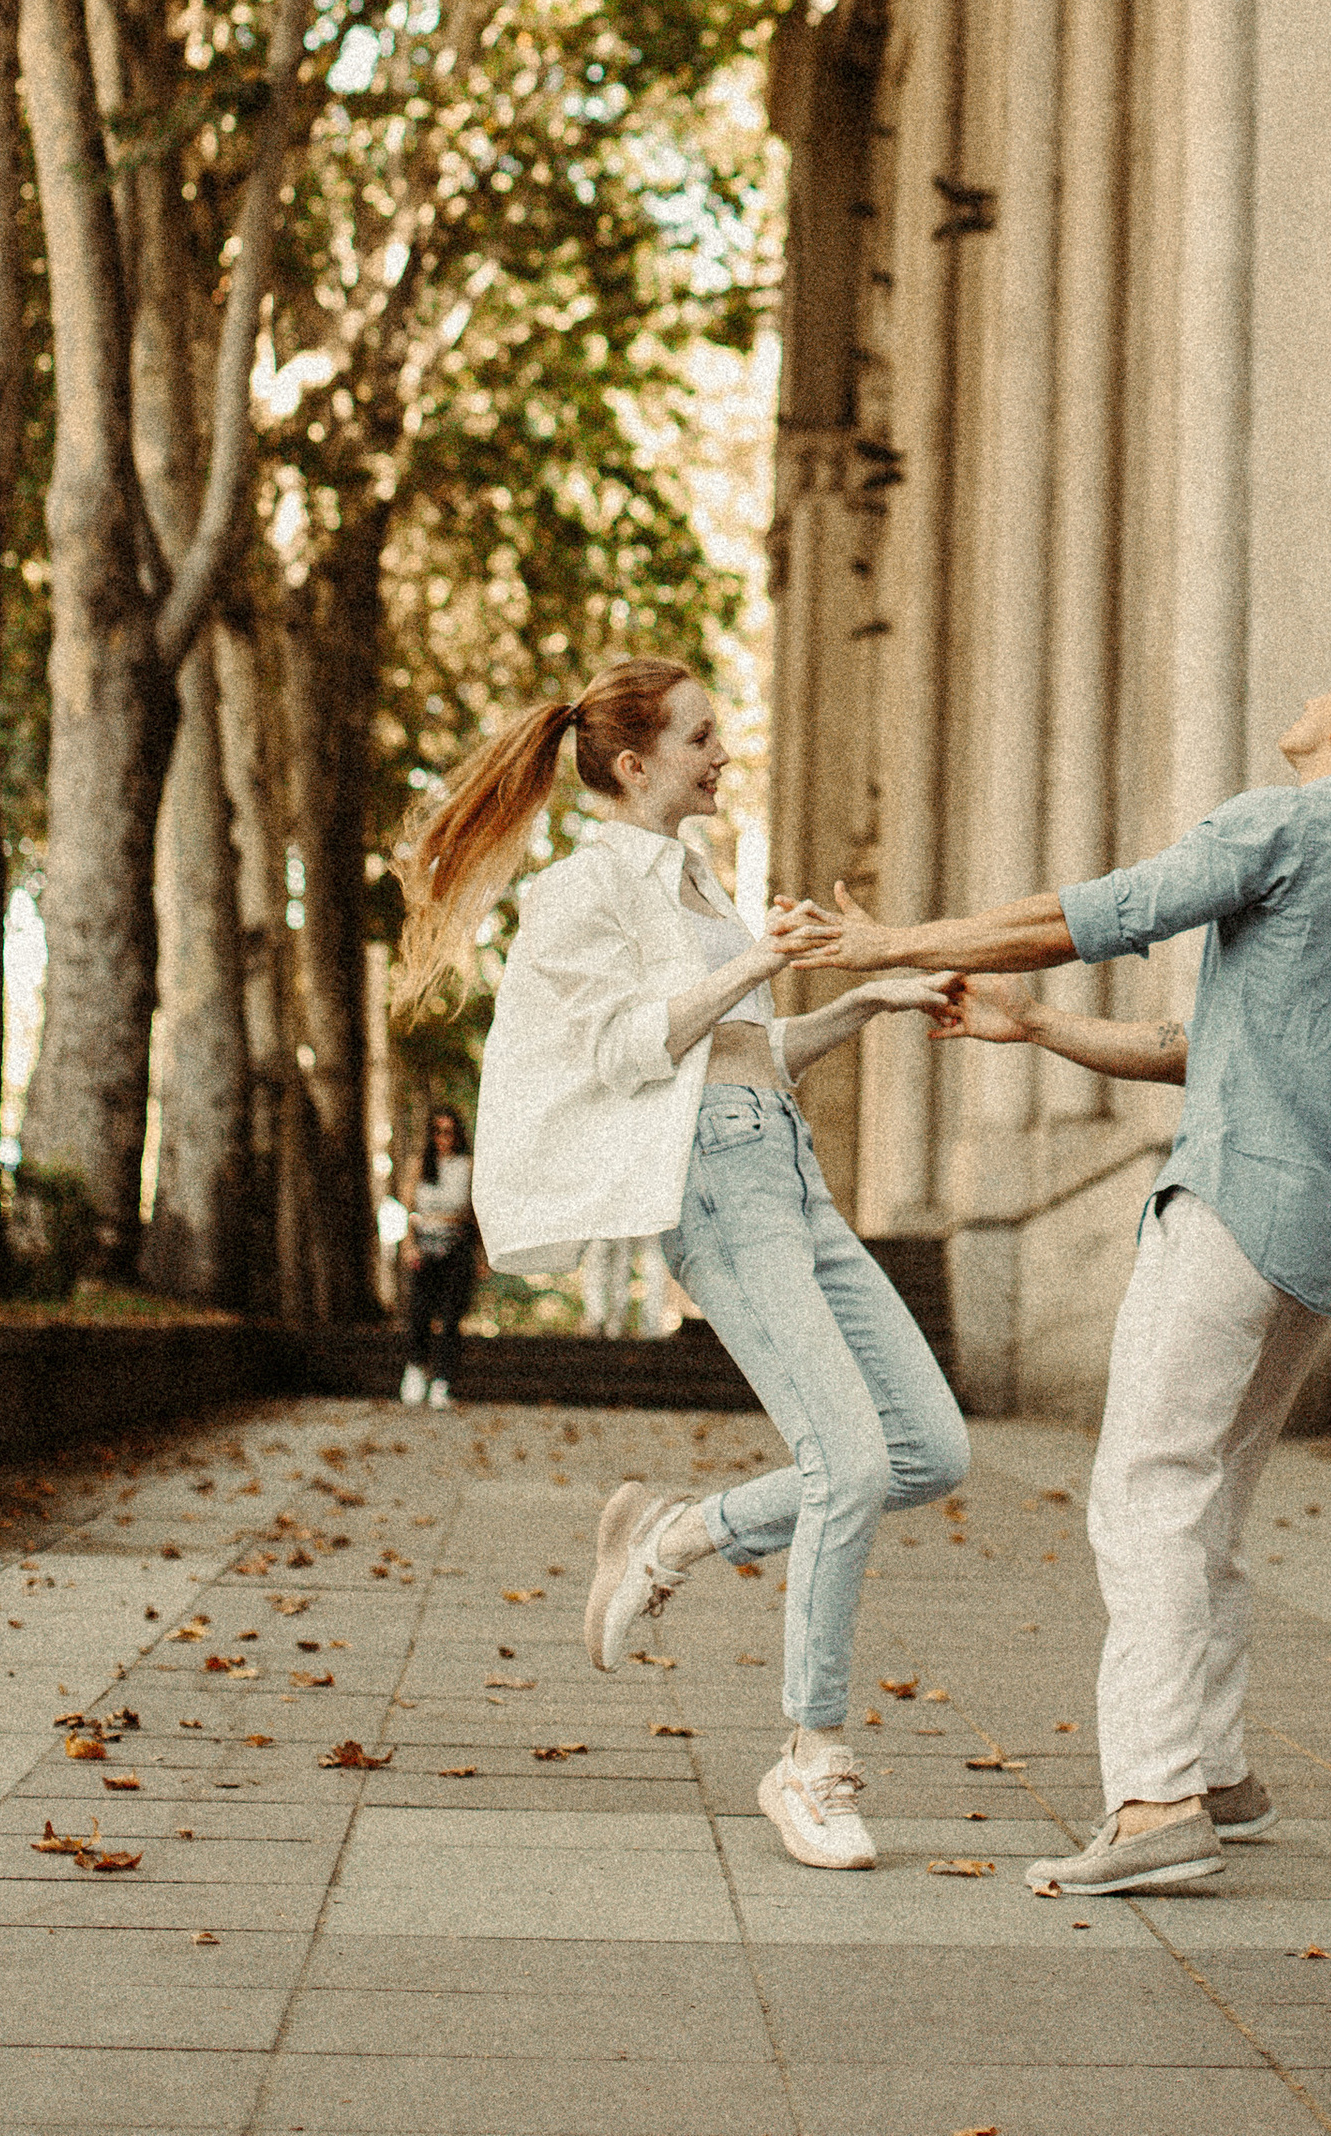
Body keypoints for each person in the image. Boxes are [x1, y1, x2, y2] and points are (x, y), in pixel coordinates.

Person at [774, 642, 1331, 1900]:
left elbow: (1087, 915)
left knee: (1143, 1494)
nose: (1307, 696)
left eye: (1329, 686)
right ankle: (1216, 1771)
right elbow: (1191, 1042)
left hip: (1230, 1209)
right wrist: (1032, 1026)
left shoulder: (1291, 822)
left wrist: (885, 942)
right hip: (1316, 1232)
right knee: (1202, 1502)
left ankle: (1155, 1806)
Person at [388, 655, 969, 1874]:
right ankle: (809, 1760)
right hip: (712, 1186)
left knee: (926, 1447)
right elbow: (622, 1051)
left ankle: (673, 1538)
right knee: (848, 1464)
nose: (723, 753)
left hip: (788, 1174)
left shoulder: (701, 888)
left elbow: (751, 1057)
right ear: (637, 761)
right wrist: (758, 962)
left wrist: (867, 1001)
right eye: (703, 736)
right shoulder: (580, 891)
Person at [398, 1104, 478, 1408]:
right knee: (420, 1312)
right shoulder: (419, 1165)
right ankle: (416, 1369)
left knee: (450, 1315)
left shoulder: (468, 1166)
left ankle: (443, 1381)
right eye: (438, 1131)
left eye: (449, 1131)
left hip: (457, 1244)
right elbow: (408, 1210)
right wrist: (408, 1244)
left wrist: (481, 1253)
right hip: (425, 1244)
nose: (444, 1138)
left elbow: (474, 1213)